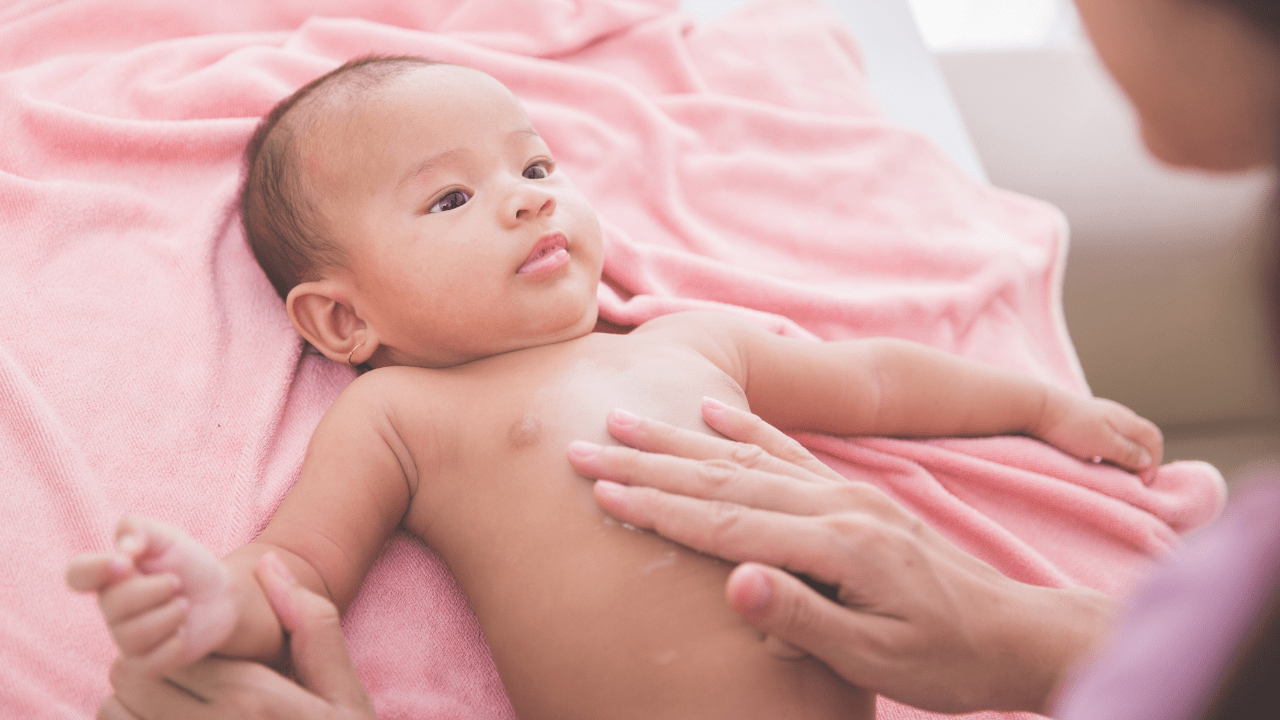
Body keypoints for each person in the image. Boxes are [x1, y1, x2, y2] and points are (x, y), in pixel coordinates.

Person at [66, 55, 1164, 720]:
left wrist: (1033, 406)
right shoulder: (404, 415)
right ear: (344, 319)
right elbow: (299, 571)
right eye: (450, 200)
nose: (528, 201)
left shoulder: (689, 341)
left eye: (535, 168)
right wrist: (210, 601)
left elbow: (871, 380)